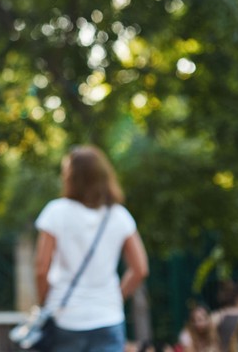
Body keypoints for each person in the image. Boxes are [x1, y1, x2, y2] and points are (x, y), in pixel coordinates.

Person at [34, 145, 149, 352]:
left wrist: (46, 303)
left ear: (71, 177)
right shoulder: (119, 215)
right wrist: (115, 297)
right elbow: (140, 269)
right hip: (108, 317)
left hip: (65, 317)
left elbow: (42, 268)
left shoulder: (56, 212)